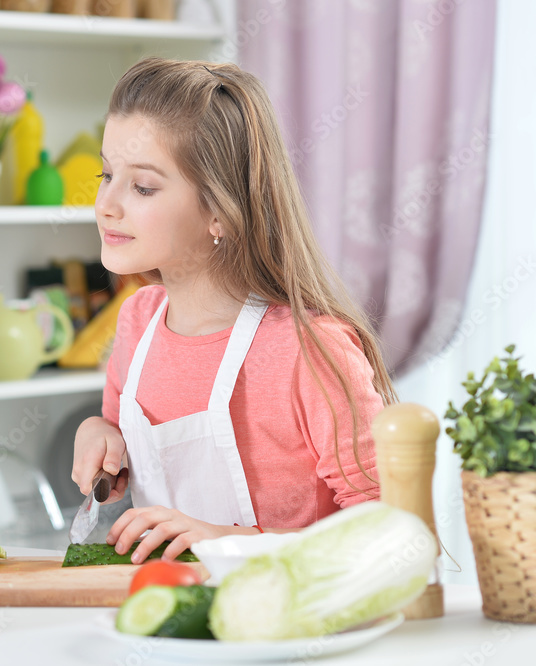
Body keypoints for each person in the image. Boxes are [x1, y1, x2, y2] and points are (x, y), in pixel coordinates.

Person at [71, 58, 396, 564]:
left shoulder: (309, 349)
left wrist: (223, 544)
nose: (105, 204)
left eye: (142, 187)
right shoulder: (138, 320)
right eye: (106, 174)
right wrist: (99, 433)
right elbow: (119, 436)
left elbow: (389, 529)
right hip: (179, 622)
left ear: (219, 211)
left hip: (293, 628)